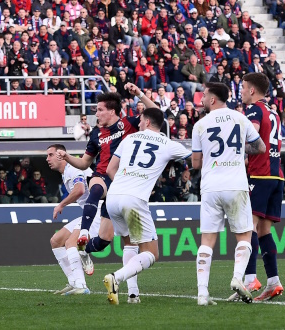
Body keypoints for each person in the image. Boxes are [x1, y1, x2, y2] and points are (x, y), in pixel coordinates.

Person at [102, 108, 191, 305]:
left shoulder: (129, 139)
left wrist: (124, 185)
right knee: (151, 253)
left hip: (113, 196)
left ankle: (133, 294)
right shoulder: (167, 144)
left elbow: (110, 169)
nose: (139, 123)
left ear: (148, 122)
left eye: (141, 120)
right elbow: (192, 156)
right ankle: (116, 277)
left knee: (129, 244)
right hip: (134, 199)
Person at [191, 82, 266, 306]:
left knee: (207, 240)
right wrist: (238, 151)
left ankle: (202, 294)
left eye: (204, 96)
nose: (202, 100)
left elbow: (196, 163)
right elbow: (260, 147)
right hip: (236, 184)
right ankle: (237, 278)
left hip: (211, 186)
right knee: (244, 235)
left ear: (213, 100)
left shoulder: (200, 124)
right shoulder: (241, 118)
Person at [56, 92, 140, 272]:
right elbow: (84, 163)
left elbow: (155, 114)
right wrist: (67, 156)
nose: (97, 114)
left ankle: (83, 249)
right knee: (94, 190)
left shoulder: (129, 124)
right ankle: (84, 233)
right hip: (101, 175)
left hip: (122, 181)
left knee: (104, 240)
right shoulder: (96, 133)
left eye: (100, 110)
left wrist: (139, 94)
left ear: (112, 111)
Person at [231, 73, 285, 302]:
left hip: (260, 175)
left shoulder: (253, 109)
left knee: (248, 227)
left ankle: (251, 278)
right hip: (276, 176)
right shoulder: (274, 112)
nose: (241, 91)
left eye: (243, 87)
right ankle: (274, 282)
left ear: (252, 90)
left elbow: (251, 138)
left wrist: (234, 152)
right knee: (264, 231)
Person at [47, 144, 103, 296]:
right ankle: (73, 282)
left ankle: (81, 286)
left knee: (71, 242)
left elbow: (80, 190)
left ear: (60, 155)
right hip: (89, 210)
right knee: (56, 241)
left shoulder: (73, 168)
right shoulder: (67, 172)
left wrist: (61, 205)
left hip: (99, 211)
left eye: (51, 155)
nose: (47, 159)